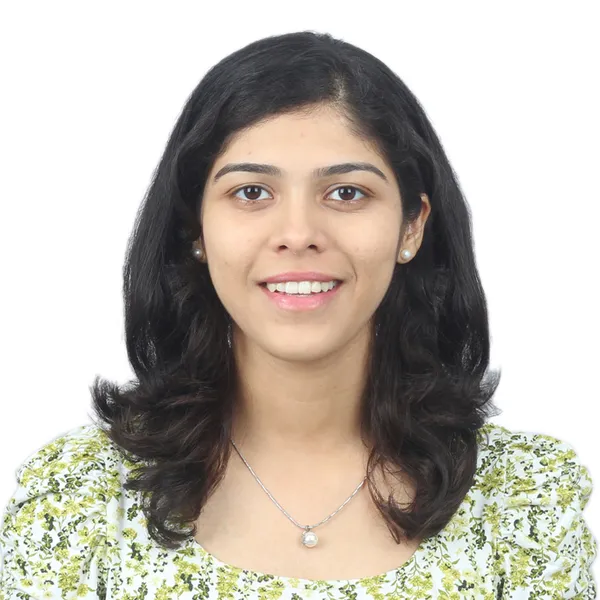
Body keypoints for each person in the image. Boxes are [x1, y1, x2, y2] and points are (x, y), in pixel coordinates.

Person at [0, 30, 596, 599]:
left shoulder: (524, 502)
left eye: (346, 193)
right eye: (251, 192)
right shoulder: (78, 499)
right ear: (195, 229)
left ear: (411, 227)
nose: (298, 233)